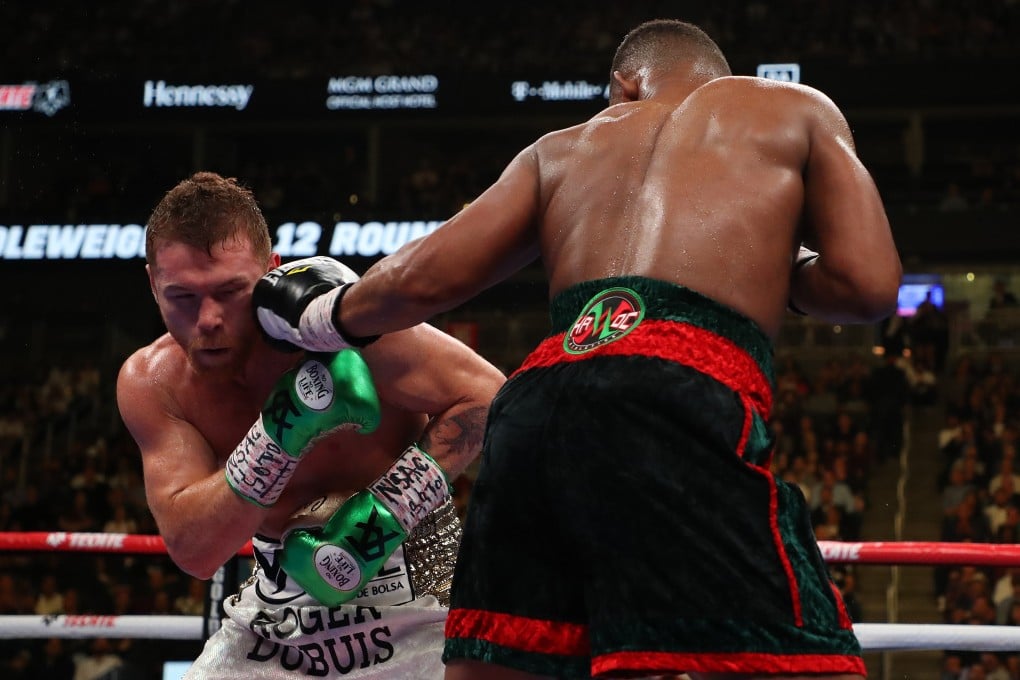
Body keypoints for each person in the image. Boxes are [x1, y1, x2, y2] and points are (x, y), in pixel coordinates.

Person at [253, 19, 901, 680]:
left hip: (537, 402)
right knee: (797, 659)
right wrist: (776, 266)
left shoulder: (560, 148)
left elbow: (423, 279)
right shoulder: (795, 108)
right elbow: (868, 286)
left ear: (621, 83)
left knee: (503, 662)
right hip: (678, 387)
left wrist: (317, 314)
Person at [116, 172, 505, 678]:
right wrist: (280, 434)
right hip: (278, 617)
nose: (209, 319)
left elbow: (489, 396)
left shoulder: (335, 321)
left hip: (423, 596)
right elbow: (194, 551)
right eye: (183, 297)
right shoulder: (154, 381)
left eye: (231, 292)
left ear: (271, 270)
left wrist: (382, 515)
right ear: (152, 283)